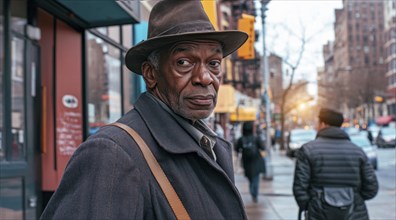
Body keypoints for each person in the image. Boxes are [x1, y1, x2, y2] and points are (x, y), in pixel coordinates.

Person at [40, 1, 248, 219]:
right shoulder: (112, 154)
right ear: (150, 74)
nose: (204, 78)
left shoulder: (211, 145)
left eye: (214, 63)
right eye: (184, 62)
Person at [293, 108, 378, 220]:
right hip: (355, 213)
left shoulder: (308, 150)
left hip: (319, 213)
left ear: (323, 124)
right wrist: (355, 198)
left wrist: (311, 205)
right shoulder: (357, 151)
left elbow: (300, 186)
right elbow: (371, 187)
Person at [234, 121, 266, 203]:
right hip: (256, 160)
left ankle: (253, 192)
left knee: (250, 177)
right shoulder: (256, 138)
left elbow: (237, 149)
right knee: (256, 178)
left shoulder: (241, 139)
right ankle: (254, 194)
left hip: (246, 161)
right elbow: (263, 147)